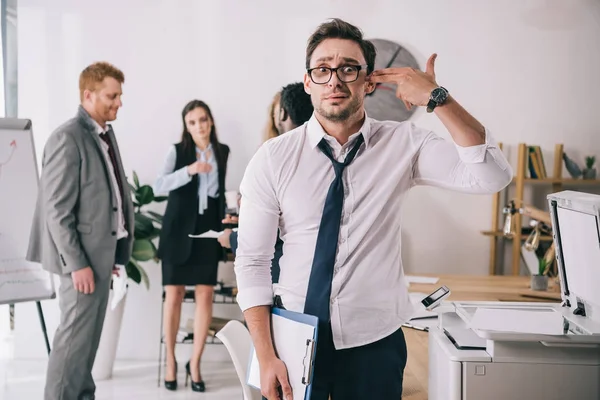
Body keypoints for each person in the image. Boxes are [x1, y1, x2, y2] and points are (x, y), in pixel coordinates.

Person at [234, 18, 513, 400]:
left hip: (375, 344)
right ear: (308, 82)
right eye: (322, 69)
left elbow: (492, 177)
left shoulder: (403, 144)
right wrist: (266, 356)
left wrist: (439, 99)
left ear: (369, 83)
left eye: (348, 68)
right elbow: (252, 261)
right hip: (292, 338)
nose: (334, 80)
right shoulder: (273, 159)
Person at [26, 61, 134, 400]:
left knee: (85, 347)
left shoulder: (103, 133)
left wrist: (115, 254)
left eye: (119, 96)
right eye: (111, 96)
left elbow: (110, 196)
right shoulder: (67, 137)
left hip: (100, 260)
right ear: (88, 95)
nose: (118, 103)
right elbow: (56, 210)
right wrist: (77, 264)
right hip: (82, 265)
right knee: (72, 345)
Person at [153, 99, 230, 393]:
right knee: (172, 296)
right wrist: (190, 170)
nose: (199, 126)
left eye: (203, 119)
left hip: (207, 231)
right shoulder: (178, 151)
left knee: (206, 295)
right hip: (177, 231)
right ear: (186, 126)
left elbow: (220, 192)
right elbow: (159, 185)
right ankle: (171, 362)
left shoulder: (222, 152)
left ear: (210, 121)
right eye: (192, 122)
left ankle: (195, 363)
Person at [217, 82, 314, 284]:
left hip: (282, 276)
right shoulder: (326, 154)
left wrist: (232, 239)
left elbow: (265, 239)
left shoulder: (273, 157)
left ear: (282, 114)